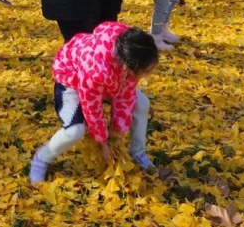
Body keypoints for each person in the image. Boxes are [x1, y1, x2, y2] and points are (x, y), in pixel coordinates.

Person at [29, 22, 162, 184]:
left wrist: (116, 135)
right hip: (71, 78)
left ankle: (137, 153)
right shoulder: (96, 70)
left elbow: (126, 95)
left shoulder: (131, 45)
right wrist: (103, 143)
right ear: (127, 67)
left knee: (142, 103)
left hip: (111, 80)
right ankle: (42, 158)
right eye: (146, 71)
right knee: (75, 131)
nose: (149, 74)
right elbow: (92, 108)